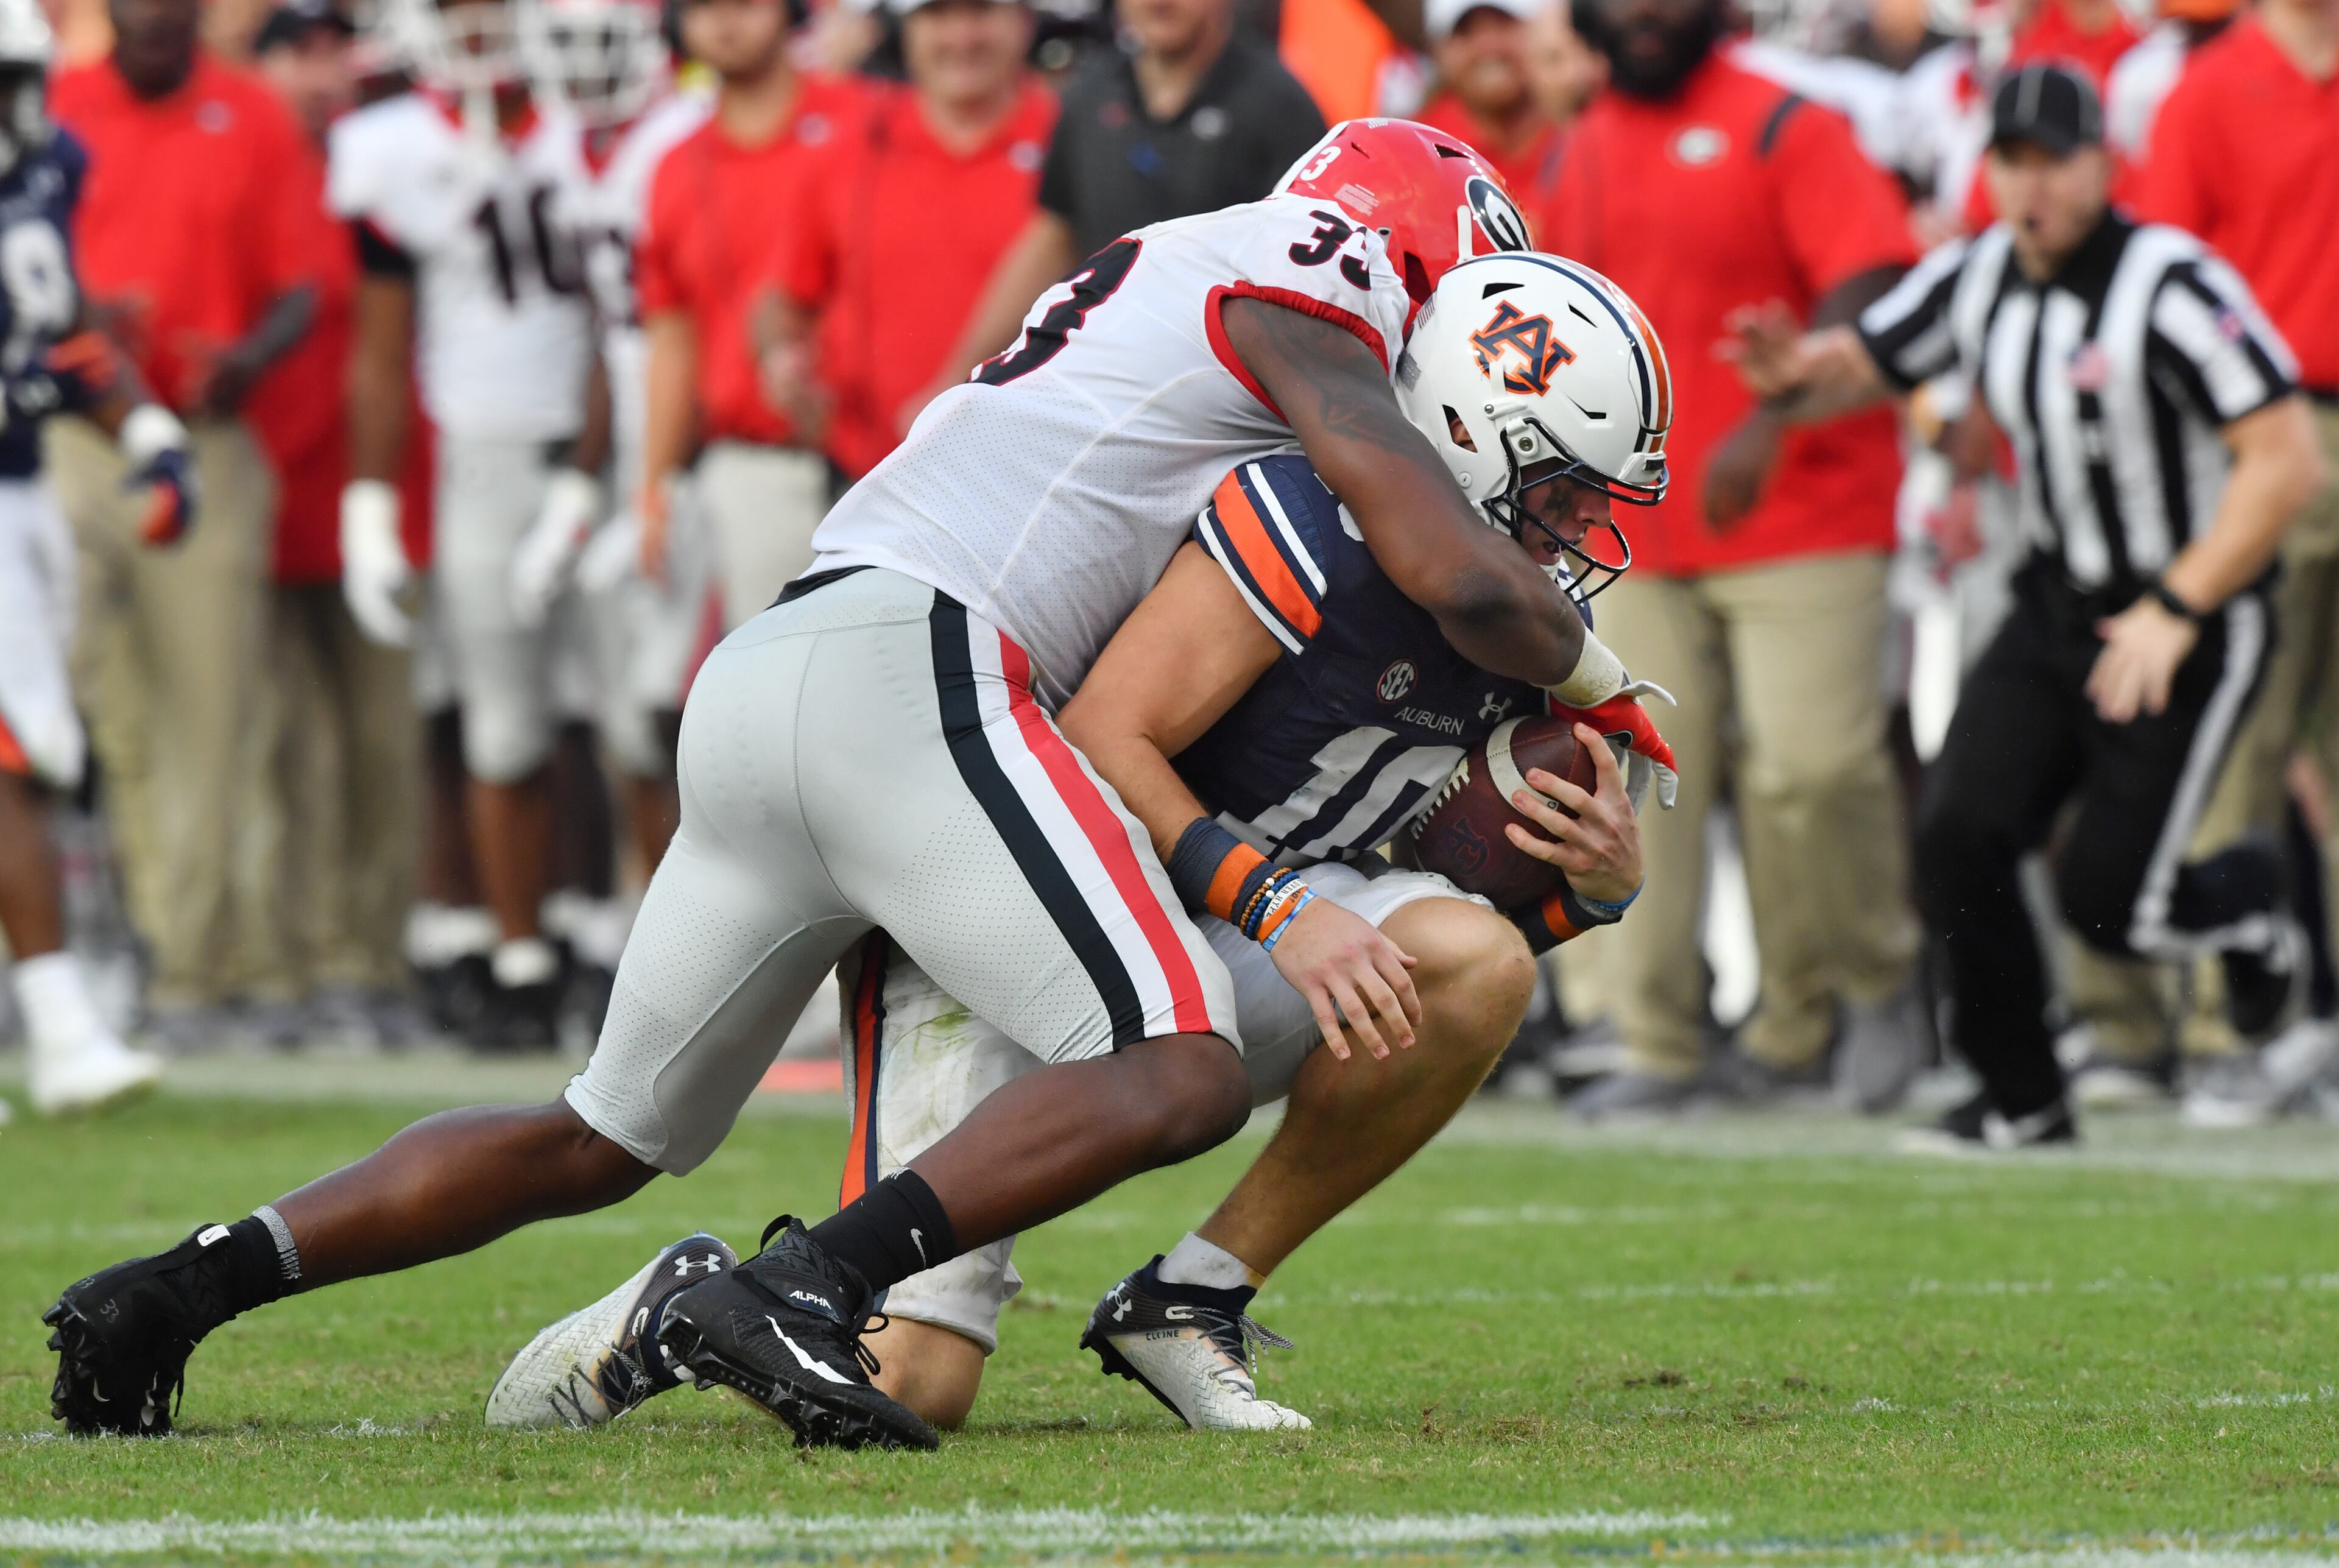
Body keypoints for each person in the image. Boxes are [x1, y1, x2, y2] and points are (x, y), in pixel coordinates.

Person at [41, 122, 1668, 1452]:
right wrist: (1607, 688)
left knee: (599, 1134)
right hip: (929, 663)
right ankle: (793, 1284)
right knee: (1174, 1058)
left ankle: (167, 1293)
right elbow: (1447, 563)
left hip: (783, 669)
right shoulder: (1311, 277)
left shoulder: (1193, 281)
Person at [485, 250, 1668, 1436]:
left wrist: (1593, 892)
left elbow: (1444, 944)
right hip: (1029, 926)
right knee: (917, 1386)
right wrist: (1280, 912)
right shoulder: (1311, 521)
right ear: (1470, 433)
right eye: (1565, 492)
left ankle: (1192, 1296)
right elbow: (1110, 738)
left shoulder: (1528, 623)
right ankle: (681, 1305)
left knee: (1479, 961)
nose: (1584, 531)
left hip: (1204, 950)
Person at [1725, 63, 2325, 1151]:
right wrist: (1789, 371)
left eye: (2056, 160)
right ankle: (2022, 1096)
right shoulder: (1980, 274)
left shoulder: (2175, 283)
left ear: (2105, 161)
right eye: (2012, 160)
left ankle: (2253, 902)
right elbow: (1864, 360)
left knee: (2113, 905)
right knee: (1956, 830)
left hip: (2188, 614)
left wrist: (2179, 605)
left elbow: (2283, 460)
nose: (2033, 186)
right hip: (2058, 604)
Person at [1538, 0, 1924, 1117]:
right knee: (1643, 774)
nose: (1646, 12)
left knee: (1809, 770)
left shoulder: (1786, 124)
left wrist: (1784, 398)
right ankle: (1661, 1037)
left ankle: (1865, 987)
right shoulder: (1579, 144)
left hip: (1803, 503)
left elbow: (1876, 274)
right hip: (1636, 530)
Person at [328, 0, 608, 1049]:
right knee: (499, 721)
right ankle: (518, 957)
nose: (481, 20)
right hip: (484, 457)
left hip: (602, 446)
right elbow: (380, 343)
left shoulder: (597, 132)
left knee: (621, 717)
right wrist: (368, 503)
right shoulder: (391, 148)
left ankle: (598, 937)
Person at [47, 0, 322, 1039]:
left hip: (204, 441)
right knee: (76, 705)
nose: (156, 16)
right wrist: (76, 319)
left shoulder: (250, 114)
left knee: (208, 718)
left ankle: (191, 972)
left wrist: (248, 355)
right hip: (79, 437)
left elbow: (301, 286)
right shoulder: (54, 102)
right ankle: (80, 951)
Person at [2128, 0, 2339, 1122]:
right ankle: (2234, 1024)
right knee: (2238, 740)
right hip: (2265, 433)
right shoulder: (2211, 88)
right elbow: (2157, 280)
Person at [0, 0, 189, 1117]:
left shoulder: (47, 167)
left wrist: (152, 434)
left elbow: (62, 331)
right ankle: (63, 1021)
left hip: (24, 488)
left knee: (43, 751)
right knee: (16, 756)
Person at [241, 0, 422, 1045]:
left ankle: (367, 959)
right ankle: (285, 959)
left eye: (330, 50)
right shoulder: (248, 151)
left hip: (389, 490)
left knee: (379, 743)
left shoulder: (398, 166)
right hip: (268, 483)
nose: (318, 73)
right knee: (276, 746)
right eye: (294, 52)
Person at [927, 0, 1325, 402]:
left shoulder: (1280, 109)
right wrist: (956, 382)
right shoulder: (1089, 95)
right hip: (1097, 392)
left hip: (1219, 406)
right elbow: (1055, 235)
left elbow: (1314, 286)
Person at [633, 0, 866, 632]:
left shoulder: (866, 119)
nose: (725, 21)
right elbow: (672, 340)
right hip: (756, 464)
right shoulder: (672, 167)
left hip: (887, 455)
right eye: (703, 7)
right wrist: (654, 486)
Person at [774, 0, 1056, 484]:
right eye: (938, 15)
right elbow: (786, 297)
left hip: (1033, 480)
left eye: (981, 12)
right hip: (871, 479)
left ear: (1023, 22)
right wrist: (780, 355)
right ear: (905, 29)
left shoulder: (1071, 139)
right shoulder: (851, 143)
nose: (962, 37)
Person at [1416, 0, 1562, 207]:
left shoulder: (1588, 132)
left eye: (1504, 24)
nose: (1488, 47)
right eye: (1465, 31)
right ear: (1439, 50)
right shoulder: (1416, 152)